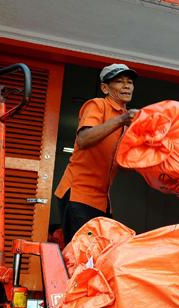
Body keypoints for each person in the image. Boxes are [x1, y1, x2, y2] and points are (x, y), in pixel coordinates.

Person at [54, 63, 139, 243]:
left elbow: (122, 163)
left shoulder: (127, 119)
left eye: (130, 82)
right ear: (105, 88)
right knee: (81, 255)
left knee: (98, 254)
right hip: (79, 193)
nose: (126, 86)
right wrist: (122, 119)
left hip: (102, 199)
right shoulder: (98, 105)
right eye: (119, 81)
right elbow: (83, 139)